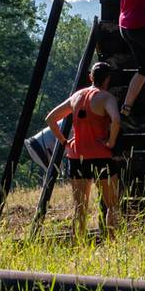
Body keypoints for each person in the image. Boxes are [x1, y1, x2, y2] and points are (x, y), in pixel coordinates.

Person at [45, 60, 123, 239]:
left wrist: (64, 142)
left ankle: (79, 246)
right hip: (101, 155)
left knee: (80, 207)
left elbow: (50, 118)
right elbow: (116, 120)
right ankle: (113, 244)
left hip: (76, 156)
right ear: (107, 79)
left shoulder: (76, 96)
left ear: (90, 77)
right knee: (112, 204)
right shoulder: (106, 97)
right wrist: (111, 142)